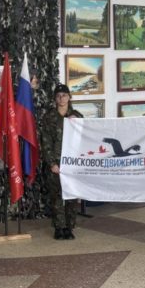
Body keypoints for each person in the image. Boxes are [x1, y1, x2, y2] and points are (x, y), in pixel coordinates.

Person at [40, 84, 83, 240]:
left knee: (72, 196)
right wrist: (52, 163)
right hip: (56, 163)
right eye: (58, 96)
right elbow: (45, 141)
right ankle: (59, 228)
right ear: (55, 98)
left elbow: (84, 139)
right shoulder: (49, 117)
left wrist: (77, 123)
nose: (61, 98)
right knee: (57, 196)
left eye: (64, 95)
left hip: (73, 162)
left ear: (69, 97)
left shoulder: (77, 116)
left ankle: (69, 227)